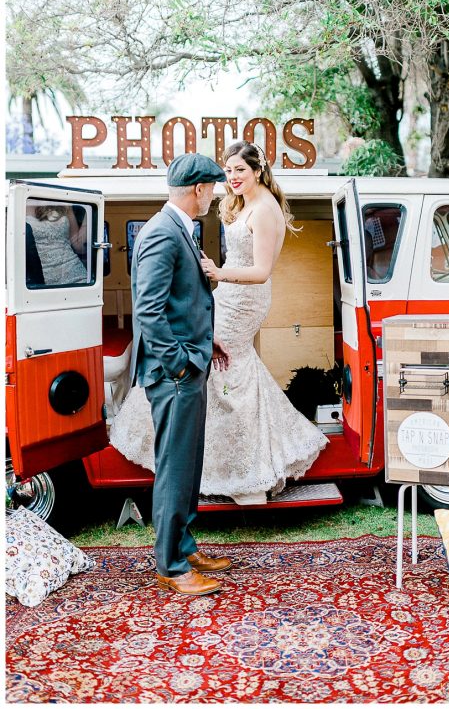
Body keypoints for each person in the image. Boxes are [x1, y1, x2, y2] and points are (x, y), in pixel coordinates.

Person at [111, 142, 328, 504]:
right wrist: (216, 273)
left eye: (240, 170)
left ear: (258, 170)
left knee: (225, 368)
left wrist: (219, 272)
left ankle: (243, 471)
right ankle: (215, 462)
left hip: (245, 299)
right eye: (228, 171)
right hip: (227, 293)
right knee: (223, 368)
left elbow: (261, 271)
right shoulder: (241, 205)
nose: (232, 178)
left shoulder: (266, 209)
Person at [130, 152, 232, 597]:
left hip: (190, 362)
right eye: (213, 188)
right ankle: (170, 565)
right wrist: (182, 363)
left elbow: (179, 301)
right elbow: (149, 311)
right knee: (175, 467)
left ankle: (184, 545)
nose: (214, 195)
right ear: (199, 189)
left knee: (188, 463)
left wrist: (205, 342)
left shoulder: (179, 229)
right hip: (174, 374)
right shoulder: (162, 233)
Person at [26, 205, 87, 285]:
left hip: (77, 276)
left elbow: (78, 246)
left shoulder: (63, 203)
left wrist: (91, 212)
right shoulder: (15, 202)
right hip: (42, 283)